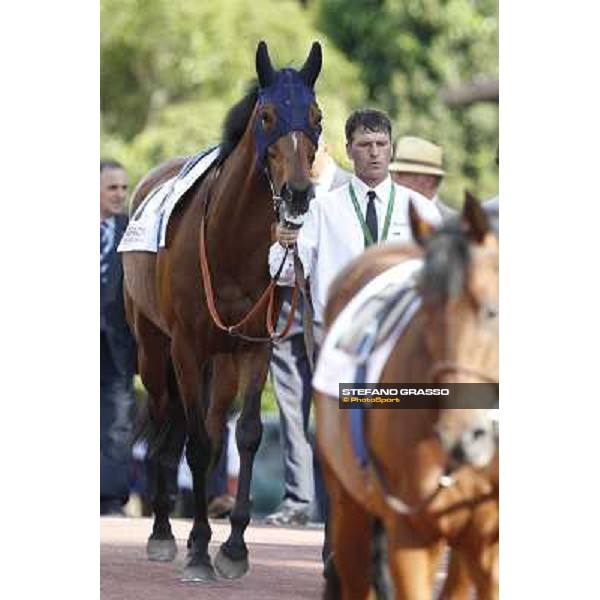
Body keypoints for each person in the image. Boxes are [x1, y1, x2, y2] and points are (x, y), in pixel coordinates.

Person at [268, 109, 442, 332]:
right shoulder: (322, 209)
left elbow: (442, 277)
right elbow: (283, 275)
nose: (374, 152)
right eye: (365, 144)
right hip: (336, 333)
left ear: (391, 150)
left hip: (401, 334)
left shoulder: (421, 209)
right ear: (349, 150)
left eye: (382, 144)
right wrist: (285, 244)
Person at [265, 139, 350, 526]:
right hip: (287, 309)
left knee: (337, 406)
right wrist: (276, 239)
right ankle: (298, 500)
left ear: (327, 148)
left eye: (308, 152)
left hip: (332, 317)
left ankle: (338, 497)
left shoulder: (351, 191)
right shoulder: (281, 188)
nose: (300, 161)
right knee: (290, 408)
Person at [100, 159, 138, 515]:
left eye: (124, 188)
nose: (120, 195)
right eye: (112, 187)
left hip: (117, 343)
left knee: (117, 420)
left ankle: (110, 500)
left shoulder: (133, 231)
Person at [388, 135, 456, 218]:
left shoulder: (452, 223)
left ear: (428, 181)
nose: (394, 180)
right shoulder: (386, 214)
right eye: (394, 173)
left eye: (401, 174)